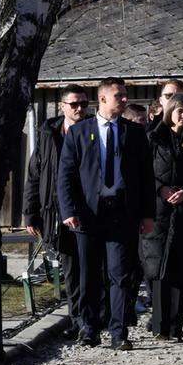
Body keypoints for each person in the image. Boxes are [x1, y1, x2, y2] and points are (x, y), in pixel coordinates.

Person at [57, 77, 155, 349]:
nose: (124, 100)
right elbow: (65, 175)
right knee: (88, 273)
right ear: (102, 99)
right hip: (88, 214)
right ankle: (89, 327)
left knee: (120, 272)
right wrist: (69, 210)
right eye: (119, 96)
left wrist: (147, 214)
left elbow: (147, 176)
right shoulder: (79, 132)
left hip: (121, 212)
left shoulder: (133, 133)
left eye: (125, 95)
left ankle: (118, 330)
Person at [22, 84, 90, 339]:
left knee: (92, 268)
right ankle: (77, 318)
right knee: (71, 267)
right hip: (57, 211)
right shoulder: (49, 134)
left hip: (88, 210)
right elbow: (35, 174)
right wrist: (30, 211)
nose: (80, 109)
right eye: (74, 104)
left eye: (84, 104)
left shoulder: (94, 131)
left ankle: (93, 316)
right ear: (63, 106)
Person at [142, 92, 183, 340]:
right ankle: (160, 323)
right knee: (159, 268)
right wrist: (161, 189)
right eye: (179, 111)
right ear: (169, 111)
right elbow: (142, 173)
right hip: (159, 213)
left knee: (182, 269)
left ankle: (176, 325)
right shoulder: (153, 138)